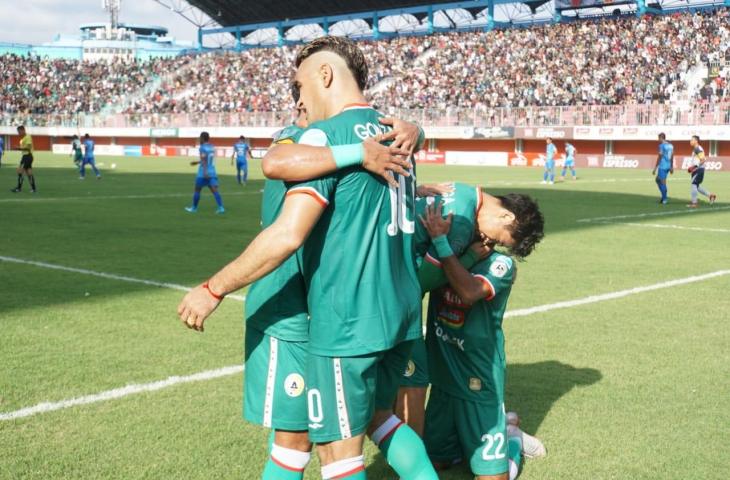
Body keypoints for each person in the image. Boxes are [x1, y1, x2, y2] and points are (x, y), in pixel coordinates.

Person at [177, 36, 437, 480]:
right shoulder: (396, 134)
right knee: (381, 419)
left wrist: (212, 288)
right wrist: (412, 129)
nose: (298, 98)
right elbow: (278, 158)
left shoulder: (324, 135)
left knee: (333, 454)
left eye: (299, 85)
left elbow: (287, 232)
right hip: (399, 315)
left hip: (343, 323)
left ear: (325, 74)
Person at [418, 202, 528, 480]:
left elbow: (468, 291)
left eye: (498, 242)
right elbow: (420, 283)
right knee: (436, 464)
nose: (489, 241)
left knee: (491, 478)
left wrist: (441, 243)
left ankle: (512, 442)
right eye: (494, 235)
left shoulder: (501, 264)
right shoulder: (452, 253)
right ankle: (464, 442)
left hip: (478, 381)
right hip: (443, 378)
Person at [185, 131, 224, 214]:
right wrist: (196, 162)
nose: (200, 139)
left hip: (203, 172)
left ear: (202, 138)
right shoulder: (212, 147)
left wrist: (205, 172)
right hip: (212, 171)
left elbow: (204, 160)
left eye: (200, 138)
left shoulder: (202, 147)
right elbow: (207, 159)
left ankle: (194, 208)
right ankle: (221, 208)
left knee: (197, 190)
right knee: (215, 190)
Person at [686, 135, 717, 208]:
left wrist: (694, 167)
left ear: (696, 141)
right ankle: (710, 196)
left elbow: (703, 160)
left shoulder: (698, 148)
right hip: (696, 170)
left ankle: (694, 203)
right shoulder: (695, 149)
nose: (690, 141)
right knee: (697, 186)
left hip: (698, 170)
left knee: (694, 184)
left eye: (692, 140)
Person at [11, 125, 36, 193]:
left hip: (27, 156)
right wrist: (19, 148)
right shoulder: (22, 139)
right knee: (29, 172)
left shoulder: (28, 137)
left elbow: (28, 148)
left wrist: (18, 148)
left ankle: (19, 188)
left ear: (23, 130)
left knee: (20, 171)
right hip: (26, 156)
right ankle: (33, 188)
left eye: (19, 132)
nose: (18, 133)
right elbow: (24, 148)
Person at [652, 133, 674, 205]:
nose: (658, 140)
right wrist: (671, 166)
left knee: (662, 182)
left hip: (663, 166)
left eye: (659, 138)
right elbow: (672, 156)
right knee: (657, 180)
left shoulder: (661, 146)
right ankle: (663, 196)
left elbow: (660, 156)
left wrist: (655, 167)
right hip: (668, 166)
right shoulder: (671, 146)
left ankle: (664, 199)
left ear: (661, 138)